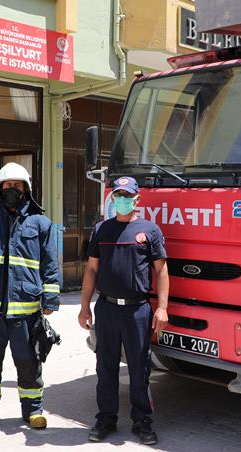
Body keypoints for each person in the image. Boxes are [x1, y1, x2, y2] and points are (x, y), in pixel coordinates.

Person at [0, 162, 61, 433]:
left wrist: (51, 299)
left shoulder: (40, 223)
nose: (12, 189)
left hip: (26, 312)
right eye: (8, 185)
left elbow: (50, 264)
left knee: (29, 363)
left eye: (17, 185)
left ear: (26, 188)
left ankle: (33, 411)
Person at [79, 176, 170, 445]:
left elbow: (161, 270)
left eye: (127, 195)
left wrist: (162, 307)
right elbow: (91, 269)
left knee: (139, 368)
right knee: (105, 367)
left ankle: (142, 422)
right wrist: (84, 307)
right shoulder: (101, 230)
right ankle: (106, 419)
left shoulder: (149, 231)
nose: (122, 199)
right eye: (118, 195)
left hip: (137, 311)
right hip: (106, 308)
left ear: (137, 199)